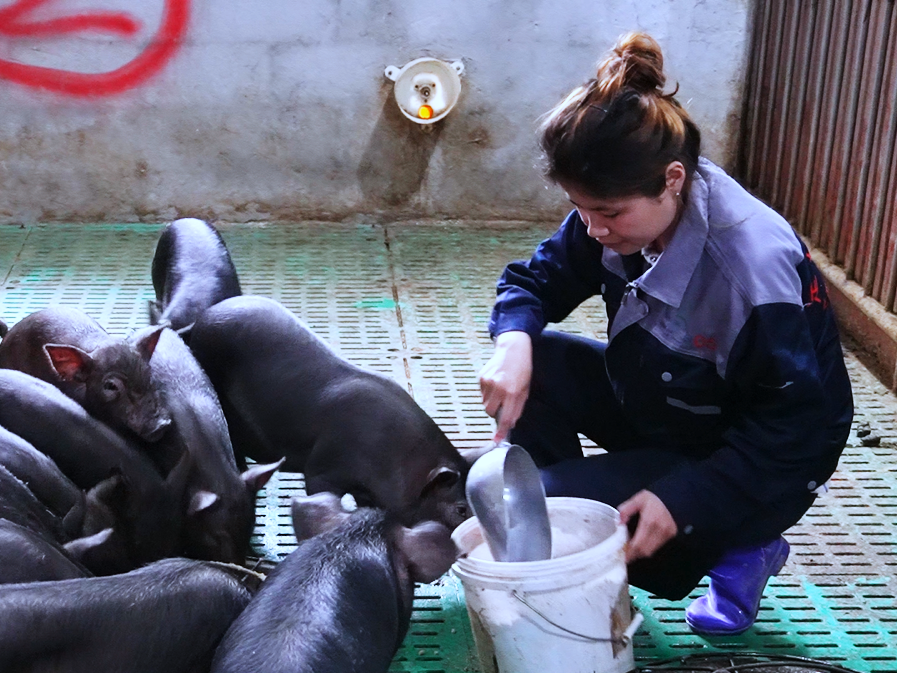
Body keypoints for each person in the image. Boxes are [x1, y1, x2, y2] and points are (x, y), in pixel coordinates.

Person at [477, 31, 853, 636]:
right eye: (581, 208)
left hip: (760, 452)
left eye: (609, 213)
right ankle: (579, 531)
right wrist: (514, 339)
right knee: (538, 361)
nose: (594, 230)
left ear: (673, 179)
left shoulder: (749, 272)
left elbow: (797, 430)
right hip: (673, 396)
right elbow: (534, 281)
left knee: (541, 502)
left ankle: (741, 540)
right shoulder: (620, 211)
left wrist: (690, 496)